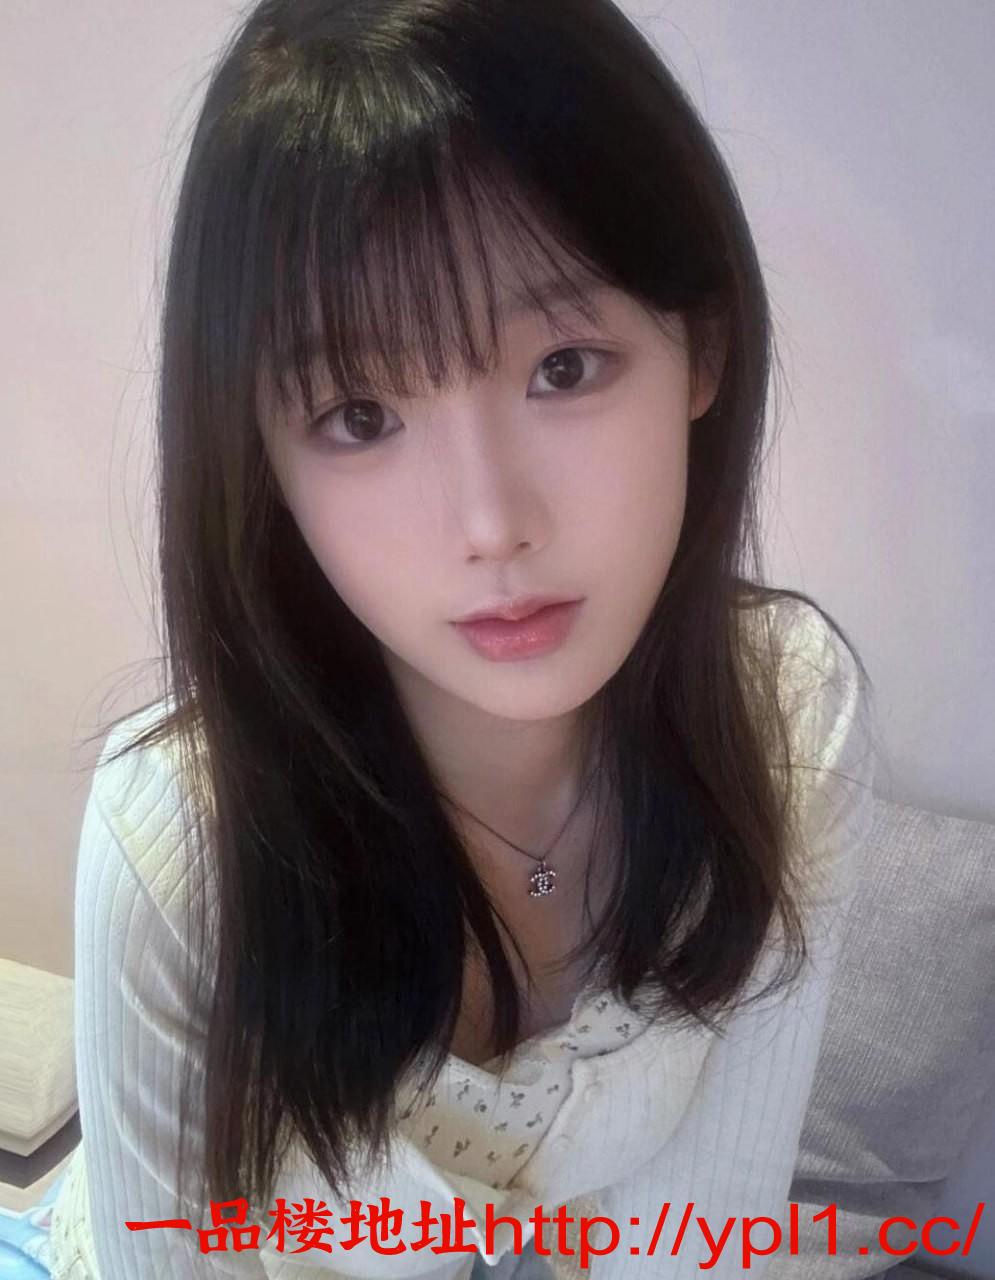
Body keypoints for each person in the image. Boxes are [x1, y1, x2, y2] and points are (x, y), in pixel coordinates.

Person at [49, 1, 877, 1276]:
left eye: (564, 366)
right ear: (262, 462)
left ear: (700, 347)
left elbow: (699, 1237)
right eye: (360, 414)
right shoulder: (178, 848)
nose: (491, 524)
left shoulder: (785, 722)